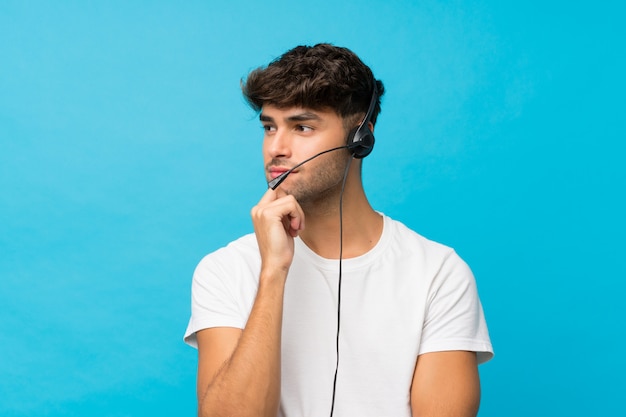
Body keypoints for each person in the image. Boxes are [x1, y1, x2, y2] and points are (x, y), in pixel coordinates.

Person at [184, 43, 493, 417]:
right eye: (269, 127)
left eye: (302, 126)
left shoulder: (439, 273)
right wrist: (273, 274)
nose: (276, 148)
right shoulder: (224, 271)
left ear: (360, 138)